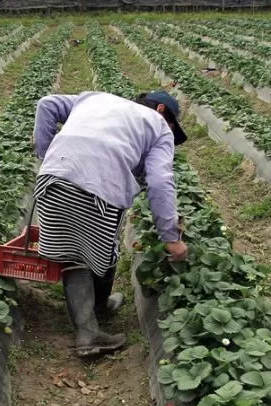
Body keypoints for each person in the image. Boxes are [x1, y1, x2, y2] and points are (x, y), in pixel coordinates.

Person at [32, 90, 189, 358]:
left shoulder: (96, 98)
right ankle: (95, 320)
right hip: (101, 188)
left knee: (71, 254)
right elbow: (161, 182)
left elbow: (46, 104)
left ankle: (91, 323)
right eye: (174, 124)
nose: (172, 133)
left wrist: (46, 155)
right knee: (103, 250)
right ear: (162, 110)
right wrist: (170, 237)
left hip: (52, 179)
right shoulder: (159, 127)